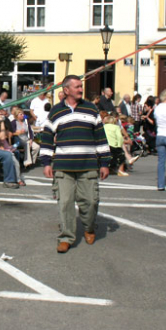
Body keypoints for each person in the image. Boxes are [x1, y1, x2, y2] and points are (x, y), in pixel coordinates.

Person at [40, 75, 110, 253]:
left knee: (91, 201)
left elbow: (100, 137)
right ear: (66, 90)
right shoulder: (56, 111)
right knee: (65, 203)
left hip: (88, 164)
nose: (81, 89)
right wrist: (46, 162)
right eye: (77, 87)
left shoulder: (91, 109)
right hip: (64, 166)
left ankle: (89, 227)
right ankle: (66, 237)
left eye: (81, 86)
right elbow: (47, 137)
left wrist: (105, 162)